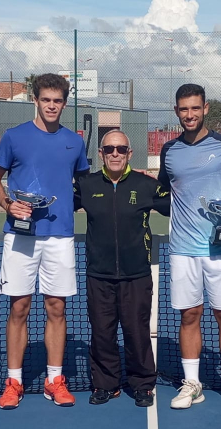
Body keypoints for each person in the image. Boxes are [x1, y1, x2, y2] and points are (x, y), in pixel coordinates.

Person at [0, 73, 90, 410]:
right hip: (20, 236)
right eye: (46, 100)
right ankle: (14, 382)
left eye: (57, 101)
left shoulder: (75, 142)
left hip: (60, 237)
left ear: (64, 102)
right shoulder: (14, 137)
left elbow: (84, 187)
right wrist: (7, 203)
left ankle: (54, 380)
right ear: (35, 100)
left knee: (56, 308)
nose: (51, 106)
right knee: (19, 307)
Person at [157, 83, 221, 414]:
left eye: (195, 108)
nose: (189, 115)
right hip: (183, 249)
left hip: (220, 250)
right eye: (184, 109)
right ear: (176, 111)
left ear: (206, 108)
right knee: (190, 315)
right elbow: (162, 191)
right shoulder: (168, 151)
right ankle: (192, 384)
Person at [73, 130, 170, 407]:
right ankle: (106, 384)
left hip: (137, 274)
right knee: (102, 332)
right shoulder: (86, 185)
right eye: (109, 149)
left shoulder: (146, 184)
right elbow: (59, 204)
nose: (115, 154)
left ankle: (142, 384)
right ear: (101, 154)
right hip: (98, 274)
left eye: (121, 149)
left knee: (136, 331)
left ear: (129, 153)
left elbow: (176, 203)